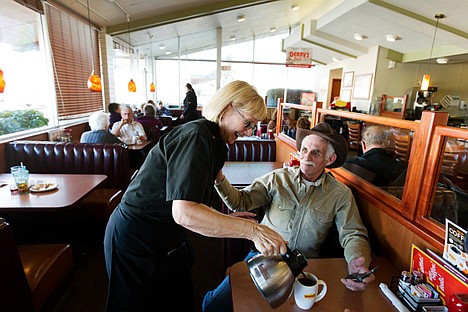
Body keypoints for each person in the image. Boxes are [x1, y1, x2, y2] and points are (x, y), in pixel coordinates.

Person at [103, 80, 288, 312]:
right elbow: (185, 213)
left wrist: (232, 220)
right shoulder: (197, 136)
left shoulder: (216, 142)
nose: (249, 132)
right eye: (248, 123)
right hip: (137, 239)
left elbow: (191, 200)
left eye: (253, 126)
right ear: (226, 108)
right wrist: (252, 231)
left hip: (168, 241)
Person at [203, 122, 374, 312]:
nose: (306, 157)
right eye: (304, 150)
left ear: (330, 159)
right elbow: (240, 201)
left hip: (305, 267)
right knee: (214, 304)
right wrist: (218, 175)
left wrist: (357, 261)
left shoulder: (341, 194)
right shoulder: (278, 178)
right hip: (264, 258)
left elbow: (353, 234)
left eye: (316, 153)